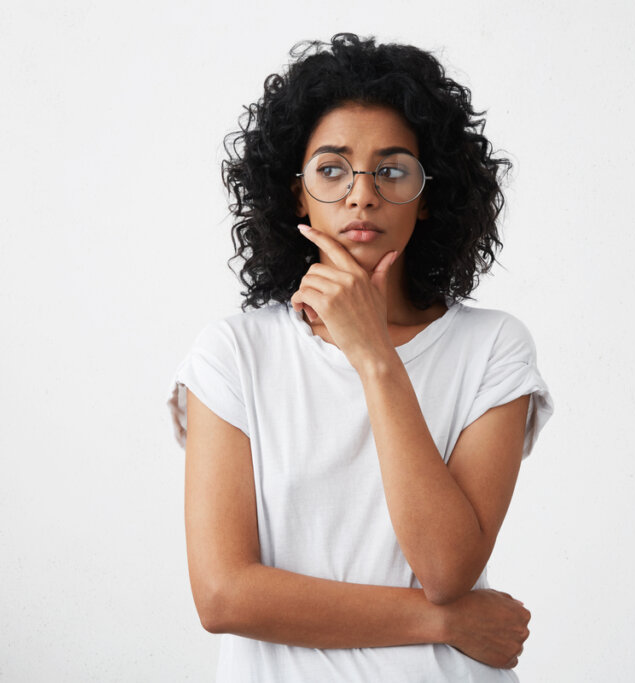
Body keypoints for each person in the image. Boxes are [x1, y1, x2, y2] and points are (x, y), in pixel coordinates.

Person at [167, 33, 553, 682]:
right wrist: (444, 621)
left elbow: (447, 567)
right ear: (296, 192)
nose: (362, 194)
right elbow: (224, 595)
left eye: (392, 169)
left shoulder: (494, 348)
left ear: (429, 195)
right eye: (333, 168)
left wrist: (374, 355)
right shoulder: (232, 354)